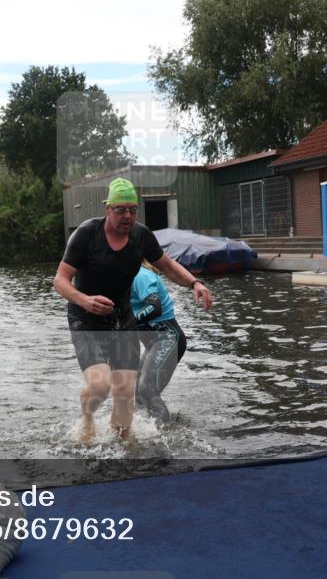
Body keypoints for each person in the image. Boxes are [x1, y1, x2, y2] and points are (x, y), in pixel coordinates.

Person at [53, 177, 212, 443]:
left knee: (126, 392)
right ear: (108, 209)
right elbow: (60, 280)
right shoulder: (87, 233)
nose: (127, 216)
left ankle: (124, 446)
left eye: (132, 209)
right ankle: (88, 421)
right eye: (121, 210)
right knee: (101, 385)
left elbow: (169, 267)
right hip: (86, 319)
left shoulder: (141, 236)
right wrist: (84, 300)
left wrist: (194, 283)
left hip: (121, 319)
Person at [131, 266, 187, 425]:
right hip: (152, 344)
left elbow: (154, 307)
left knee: (146, 389)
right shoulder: (122, 278)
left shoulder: (141, 275)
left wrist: (128, 323)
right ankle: (142, 433)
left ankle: (166, 435)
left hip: (168, 338)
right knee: (138, 396)